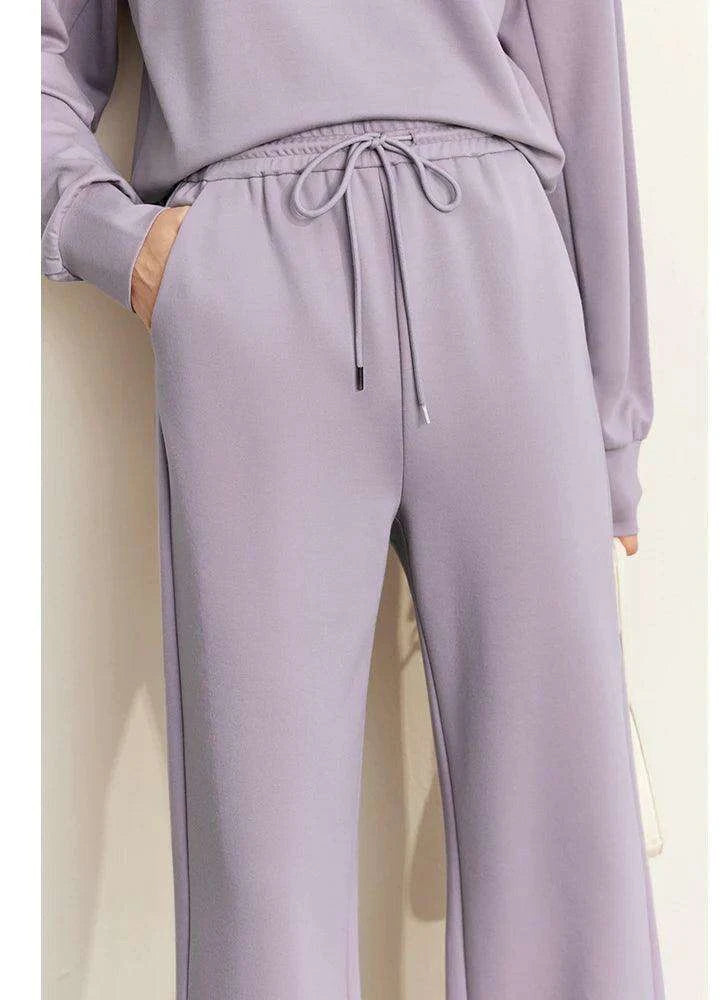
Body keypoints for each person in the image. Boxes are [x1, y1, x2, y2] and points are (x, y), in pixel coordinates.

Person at [42, 1, 663, 997]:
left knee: (564, 849)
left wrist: (611, 425)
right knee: (264, 873)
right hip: (252, 285)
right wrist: (119, 239)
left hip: (497, 262)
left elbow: (581, 60)